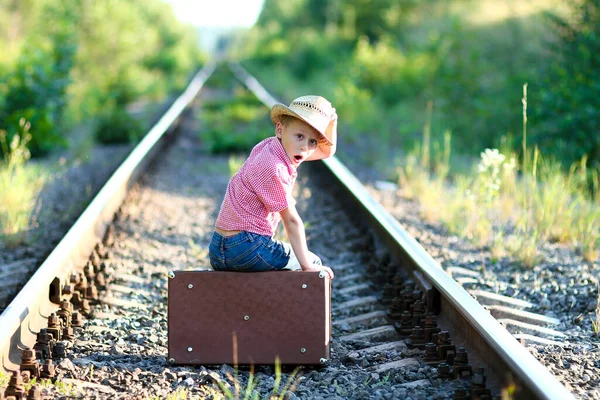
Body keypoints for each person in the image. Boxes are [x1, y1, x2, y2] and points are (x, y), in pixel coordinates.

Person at [209, 95, 337, 279]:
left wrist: (331, 124)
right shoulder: (274, 168)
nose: (305, 148)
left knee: (301, 261)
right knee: (314, 263)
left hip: (218, 247)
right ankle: (288, 307)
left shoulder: (270, 147)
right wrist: (308, 267)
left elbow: (326, 151)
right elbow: (291, 221)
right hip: (247, 247)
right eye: (300, 136)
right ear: (280, 129)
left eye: (312, 142)